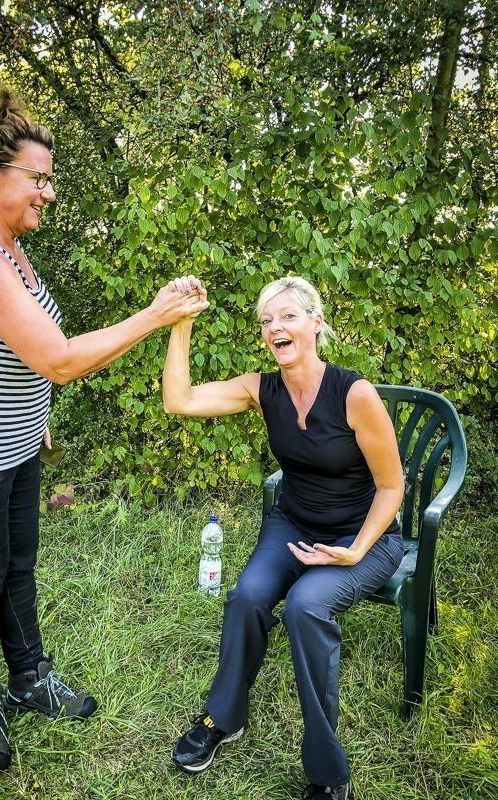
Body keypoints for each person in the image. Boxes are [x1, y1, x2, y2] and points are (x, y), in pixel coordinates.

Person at [0, 80, 208, 776]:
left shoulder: (10, 243)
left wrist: (32, 418)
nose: (48, 193)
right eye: (37, 180)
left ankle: (30, 677)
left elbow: (14, 351)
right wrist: (155, 315)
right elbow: (59, 358)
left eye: (50, 180)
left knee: (18, 567)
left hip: (12, 442)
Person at [162, 276, 404, 800]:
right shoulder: (262, 389)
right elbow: (178, 400)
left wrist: (355, 551)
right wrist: (180, 324)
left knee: (305, 607)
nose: (275, 327)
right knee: (247, 596)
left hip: (363, 536)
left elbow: (391, 487)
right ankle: (223, 718)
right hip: (293, 525)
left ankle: (328, 773)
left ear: (316, 323)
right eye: (266, 320)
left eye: (288, 315)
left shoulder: (354, 394)